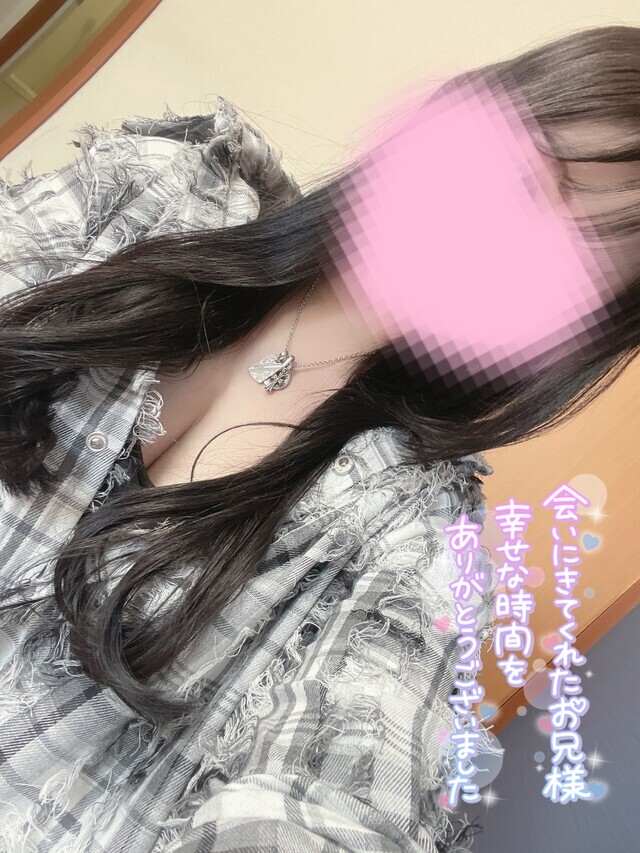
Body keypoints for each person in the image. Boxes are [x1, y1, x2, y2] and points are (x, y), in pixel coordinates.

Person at [0, 23, 639, 853]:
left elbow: (337, 799)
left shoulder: (410, 537)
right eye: (531, 174)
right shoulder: (153, 196)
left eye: (578, 258)